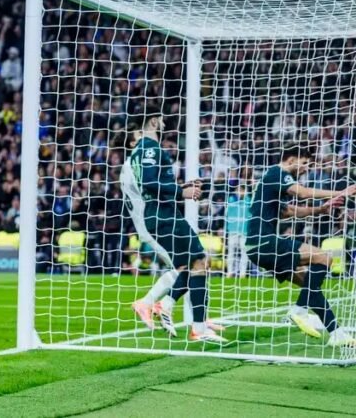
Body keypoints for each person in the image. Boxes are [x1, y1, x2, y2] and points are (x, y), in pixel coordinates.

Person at [121, 111, 227, 344]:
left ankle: (172, 309)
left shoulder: (140, 152)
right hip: (163, 216)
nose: (165, 122)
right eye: (161, 119)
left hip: (159, 215)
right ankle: (192, 323)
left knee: (190, 265)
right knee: (199, 262)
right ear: (153, 121)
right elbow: (149, 182)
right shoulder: (149, 147)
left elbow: (153, 184)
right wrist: (182, 192)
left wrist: (181, 187)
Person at [246, 144, 356, 346]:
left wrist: (320, 210)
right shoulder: (277, 173)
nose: (307, 168)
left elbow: (288, 212)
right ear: (291, 160)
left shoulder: (272, 181)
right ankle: (298, 311)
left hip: (256, 246)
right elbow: (303, 193)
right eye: (305, 163)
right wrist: (342, 192)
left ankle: (337, 333)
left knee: (310, 286)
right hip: (264, 242)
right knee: (324, 257)